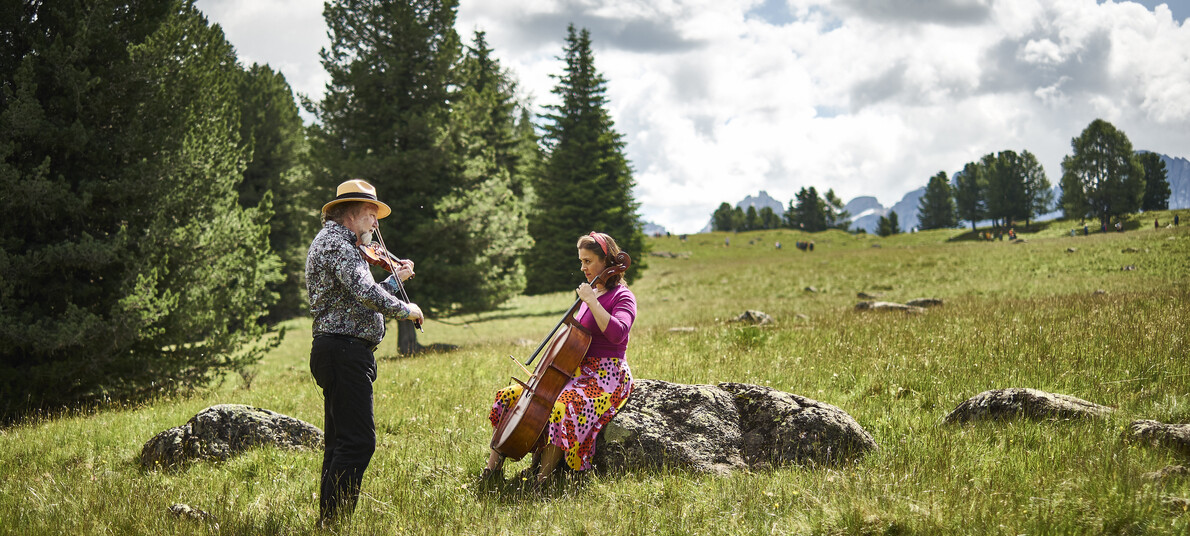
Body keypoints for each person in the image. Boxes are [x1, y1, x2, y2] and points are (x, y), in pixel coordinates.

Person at [306, 179, 424, 525]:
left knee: (340, 442)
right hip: (344, 351)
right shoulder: (339, 246)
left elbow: (357, 296)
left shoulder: (338, 243)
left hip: (340, 349)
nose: (376, 224)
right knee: (358, 443)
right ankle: (336, 522)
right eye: (372, 215)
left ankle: (329, 523)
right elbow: (365, 294)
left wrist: (393, 280)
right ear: (353, 213)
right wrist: (407, 309)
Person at [481, 232, 637, 488]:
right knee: (509, 395)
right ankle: (491, 471)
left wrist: (591, 301)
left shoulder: (622, 296)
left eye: (588, 261)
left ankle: (542, 481)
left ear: (607, 261)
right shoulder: (590, 295)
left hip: (606, 377)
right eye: (581, 261)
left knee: (562, 407)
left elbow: (618, 333)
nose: (583, 267)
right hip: (574, 372)